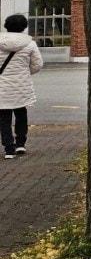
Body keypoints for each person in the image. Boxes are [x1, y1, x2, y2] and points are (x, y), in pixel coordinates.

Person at [0, 13, 43, 159]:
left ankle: (8, 149)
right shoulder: (30, 44)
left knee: (4, 119)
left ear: (6, 25)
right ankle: (20, 144)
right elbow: (37, 65)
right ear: (24, 27)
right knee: (21, 115)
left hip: (1, 87)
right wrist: (24, 72)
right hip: (21, 86)